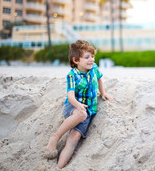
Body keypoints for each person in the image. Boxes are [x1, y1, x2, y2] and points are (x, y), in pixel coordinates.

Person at [42, 40, 112, 169]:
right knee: (80, 114)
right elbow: (70, 96)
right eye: (87, 57)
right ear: (76, 60)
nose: (91, 59)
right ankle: (55, 137)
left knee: (74, 138)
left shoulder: (94, 68)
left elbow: (100, 78)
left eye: (92, 56)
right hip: (73, 107)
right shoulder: (72, 75)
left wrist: (103, 93)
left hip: (89, 110)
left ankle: (60, 166)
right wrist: (78, 106)